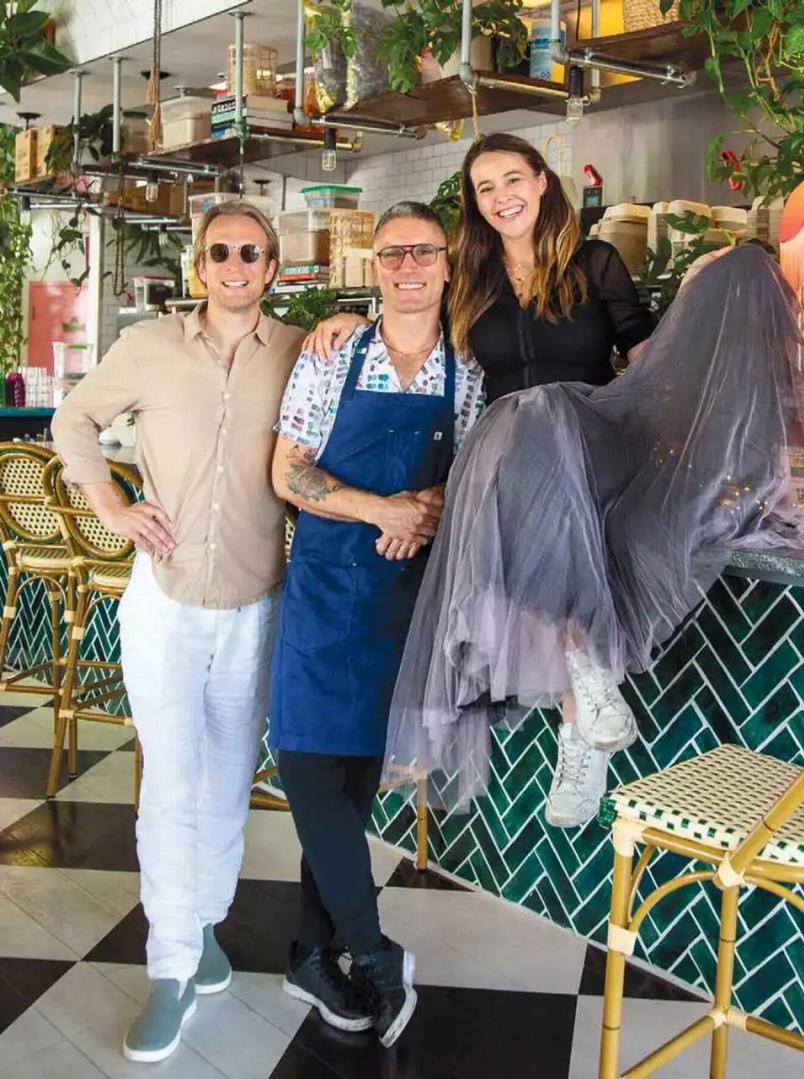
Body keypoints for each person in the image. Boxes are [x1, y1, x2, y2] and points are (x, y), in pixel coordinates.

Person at [383, 243, 804, 810]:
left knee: (534, 437)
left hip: (607, 473)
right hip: (541, 468)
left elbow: (721, 453)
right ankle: (589, 694)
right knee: (528, 434)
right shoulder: (486, 281)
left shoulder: (608, 277)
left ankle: (584, 712)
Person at [306, 132, 657, 829]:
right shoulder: (471, 276)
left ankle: (584, 711)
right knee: (516, 486)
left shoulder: (596, 263)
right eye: (484, 188)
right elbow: (412, 318)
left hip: (590, 447)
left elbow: (646, 362)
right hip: (506, 464)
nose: (501, 197)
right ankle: (583, 712)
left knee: (546, 427)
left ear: (542, 181)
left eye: (511, 179)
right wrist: (352, 318)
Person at [52, 202, 306, 1064]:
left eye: (253, 252)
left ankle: (205, 931)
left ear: (273, 268)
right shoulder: (149, 346)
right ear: (202, 265)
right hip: (164, 600)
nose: (236, 264)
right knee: (169, 780)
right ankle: (169, 966)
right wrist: (114, 506)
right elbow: (71, 420)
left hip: (254, 600)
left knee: (228, 782)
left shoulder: (297, 350)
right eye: (221, 251)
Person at [269, 201, 485, 1047]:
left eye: (422, 251)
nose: (406, 265)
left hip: (402, 590)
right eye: (392, 252)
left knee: (353, 781)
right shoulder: (331, 354)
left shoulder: (467, 368)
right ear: (376, 266)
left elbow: (471, 473)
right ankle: (375, 951)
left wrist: (419, 511)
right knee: (307, 762)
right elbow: (289, 471)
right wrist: (381, 508)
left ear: (445, 262)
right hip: (327, 584)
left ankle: (307, 954)